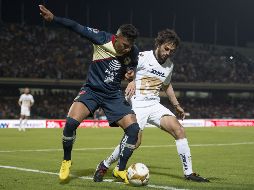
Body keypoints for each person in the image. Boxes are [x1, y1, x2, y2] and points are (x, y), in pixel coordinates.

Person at [39, 5, 140, 183]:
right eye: (124, 45)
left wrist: (131, 76)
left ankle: (120, 169)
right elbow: (75, 26)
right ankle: (66, 160)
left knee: (133, 130)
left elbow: (131, 66)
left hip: (113, 94)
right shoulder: (100, 38)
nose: (126, 49)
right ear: (116, 38)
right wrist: (54, 19)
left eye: (129, 46)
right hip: (92, 90)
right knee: (70, 124)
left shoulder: (133, 51)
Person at [94, 29, 209, 182]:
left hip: (154, 104)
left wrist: (176, 105)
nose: (168, 53)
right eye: (166, 48)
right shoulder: (142, 56)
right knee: (134, 142)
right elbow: (126, 69)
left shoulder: (169, 65)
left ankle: (189, 173)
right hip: (137, 103)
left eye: (172, 51)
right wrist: (131, 80)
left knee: (179, 129)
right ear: (159, 44)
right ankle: (105, 164)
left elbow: (167, 85)